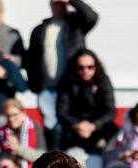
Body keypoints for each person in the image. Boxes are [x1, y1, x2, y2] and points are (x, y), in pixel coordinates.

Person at [24, 0, 100, 137]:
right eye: (56, 3)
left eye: (62, 3)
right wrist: (35, 84)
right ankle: (52, 151)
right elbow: (31, 58)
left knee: (70, 126)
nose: (59, 6)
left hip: (71, 88)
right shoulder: (40, 30)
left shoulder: (76, 26)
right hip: (47, 89)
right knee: (51, 127)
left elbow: (92, 17)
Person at [57, 50, 117, 155]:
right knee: (57, 129)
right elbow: (62, 111)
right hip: (75, 124)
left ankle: (109, 159)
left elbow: (110, 110)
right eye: (81, 67)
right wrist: (76, 125)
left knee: (114, 131)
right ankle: (56, 160)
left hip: (98, 124)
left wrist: (94, 125)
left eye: (90, 67)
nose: (86, 71)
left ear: (96, 67)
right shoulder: (67, 81)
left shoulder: (103, 80)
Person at [0, 99, 46, 168]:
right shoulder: (2, 132)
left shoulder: (34, 128)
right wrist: (9, 153)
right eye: (8, 115)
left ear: (23, 114)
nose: (11, 119)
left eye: (15, 115)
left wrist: (19, 149)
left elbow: (42, 157)